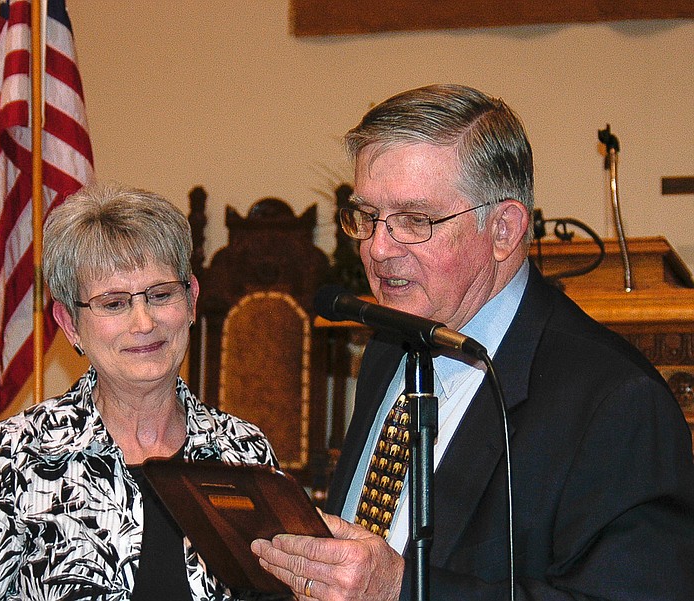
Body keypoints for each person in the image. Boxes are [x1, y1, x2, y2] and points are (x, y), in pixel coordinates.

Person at [251, 84, 694, 599]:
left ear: (504, 230)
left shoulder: (617, 403)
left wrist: (404, 591)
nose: (377, 247)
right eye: (367, 217)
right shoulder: (390, 347)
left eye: (415, 221)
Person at [0, 182, 280, 601]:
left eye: (160, 295)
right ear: (68, 324)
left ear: (190, 300)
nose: (143, 322)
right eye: (113, 303)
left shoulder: (242, 452)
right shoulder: (16, 455)